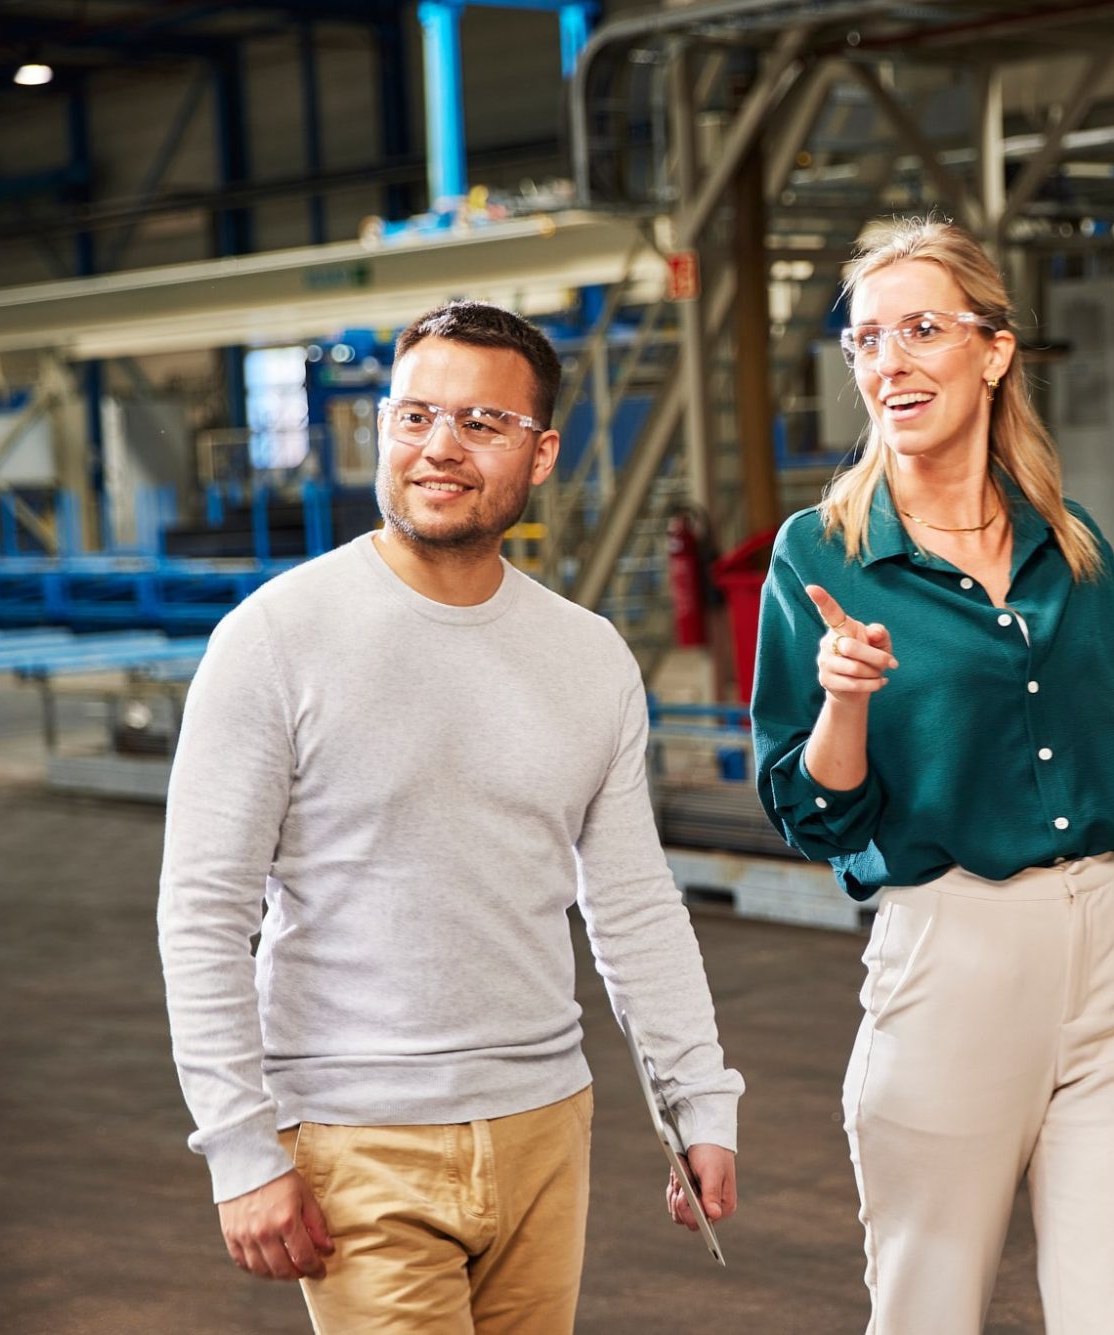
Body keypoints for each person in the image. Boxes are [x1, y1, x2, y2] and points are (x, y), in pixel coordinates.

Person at [158, 300, 743, 1333]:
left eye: (481, 424)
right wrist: (240, 1149)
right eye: (414, 416)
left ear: (543, 450)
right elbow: (204, 913)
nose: (439, 449)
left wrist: (697, 1100)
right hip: (355, 1139)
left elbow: (631, 903)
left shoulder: (588, 654)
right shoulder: (277, 638)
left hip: (545, 1127)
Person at [750, 219, 1114, 1335]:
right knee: (928, 1309)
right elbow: (813, 812)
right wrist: (844, 701)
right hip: (955, 949)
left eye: (919, 331)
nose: (887, 363)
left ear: (993, 351)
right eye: (864, 341)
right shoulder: (822, 552)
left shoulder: (1069, 534)